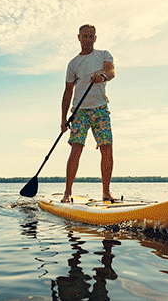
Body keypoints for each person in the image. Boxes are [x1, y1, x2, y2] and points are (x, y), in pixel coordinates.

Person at [60, 24, 116, 203]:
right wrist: (63, 118)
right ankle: (67, 193)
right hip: (79, 112)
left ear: (95, 38)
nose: (87, 39)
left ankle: (106, 193)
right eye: (84, 36)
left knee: (107, 149)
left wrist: (103, 77)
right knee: (76, 149)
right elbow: (68, 91)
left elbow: (111, 71)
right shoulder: (73, 63)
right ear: (78, 38)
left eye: (91, 36)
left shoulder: (103, 55)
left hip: (100, 109)